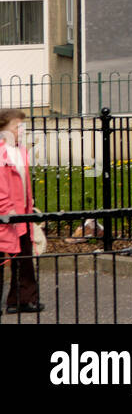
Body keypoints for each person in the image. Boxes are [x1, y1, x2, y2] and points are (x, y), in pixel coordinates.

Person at [0, 110, 41, 314]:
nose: (21, 130)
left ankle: (22, 299)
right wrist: (7, 210)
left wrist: (28, 205)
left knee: (24, 257)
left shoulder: (21, 151)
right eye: (17, 127)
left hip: (21, 214)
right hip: (6, 216)